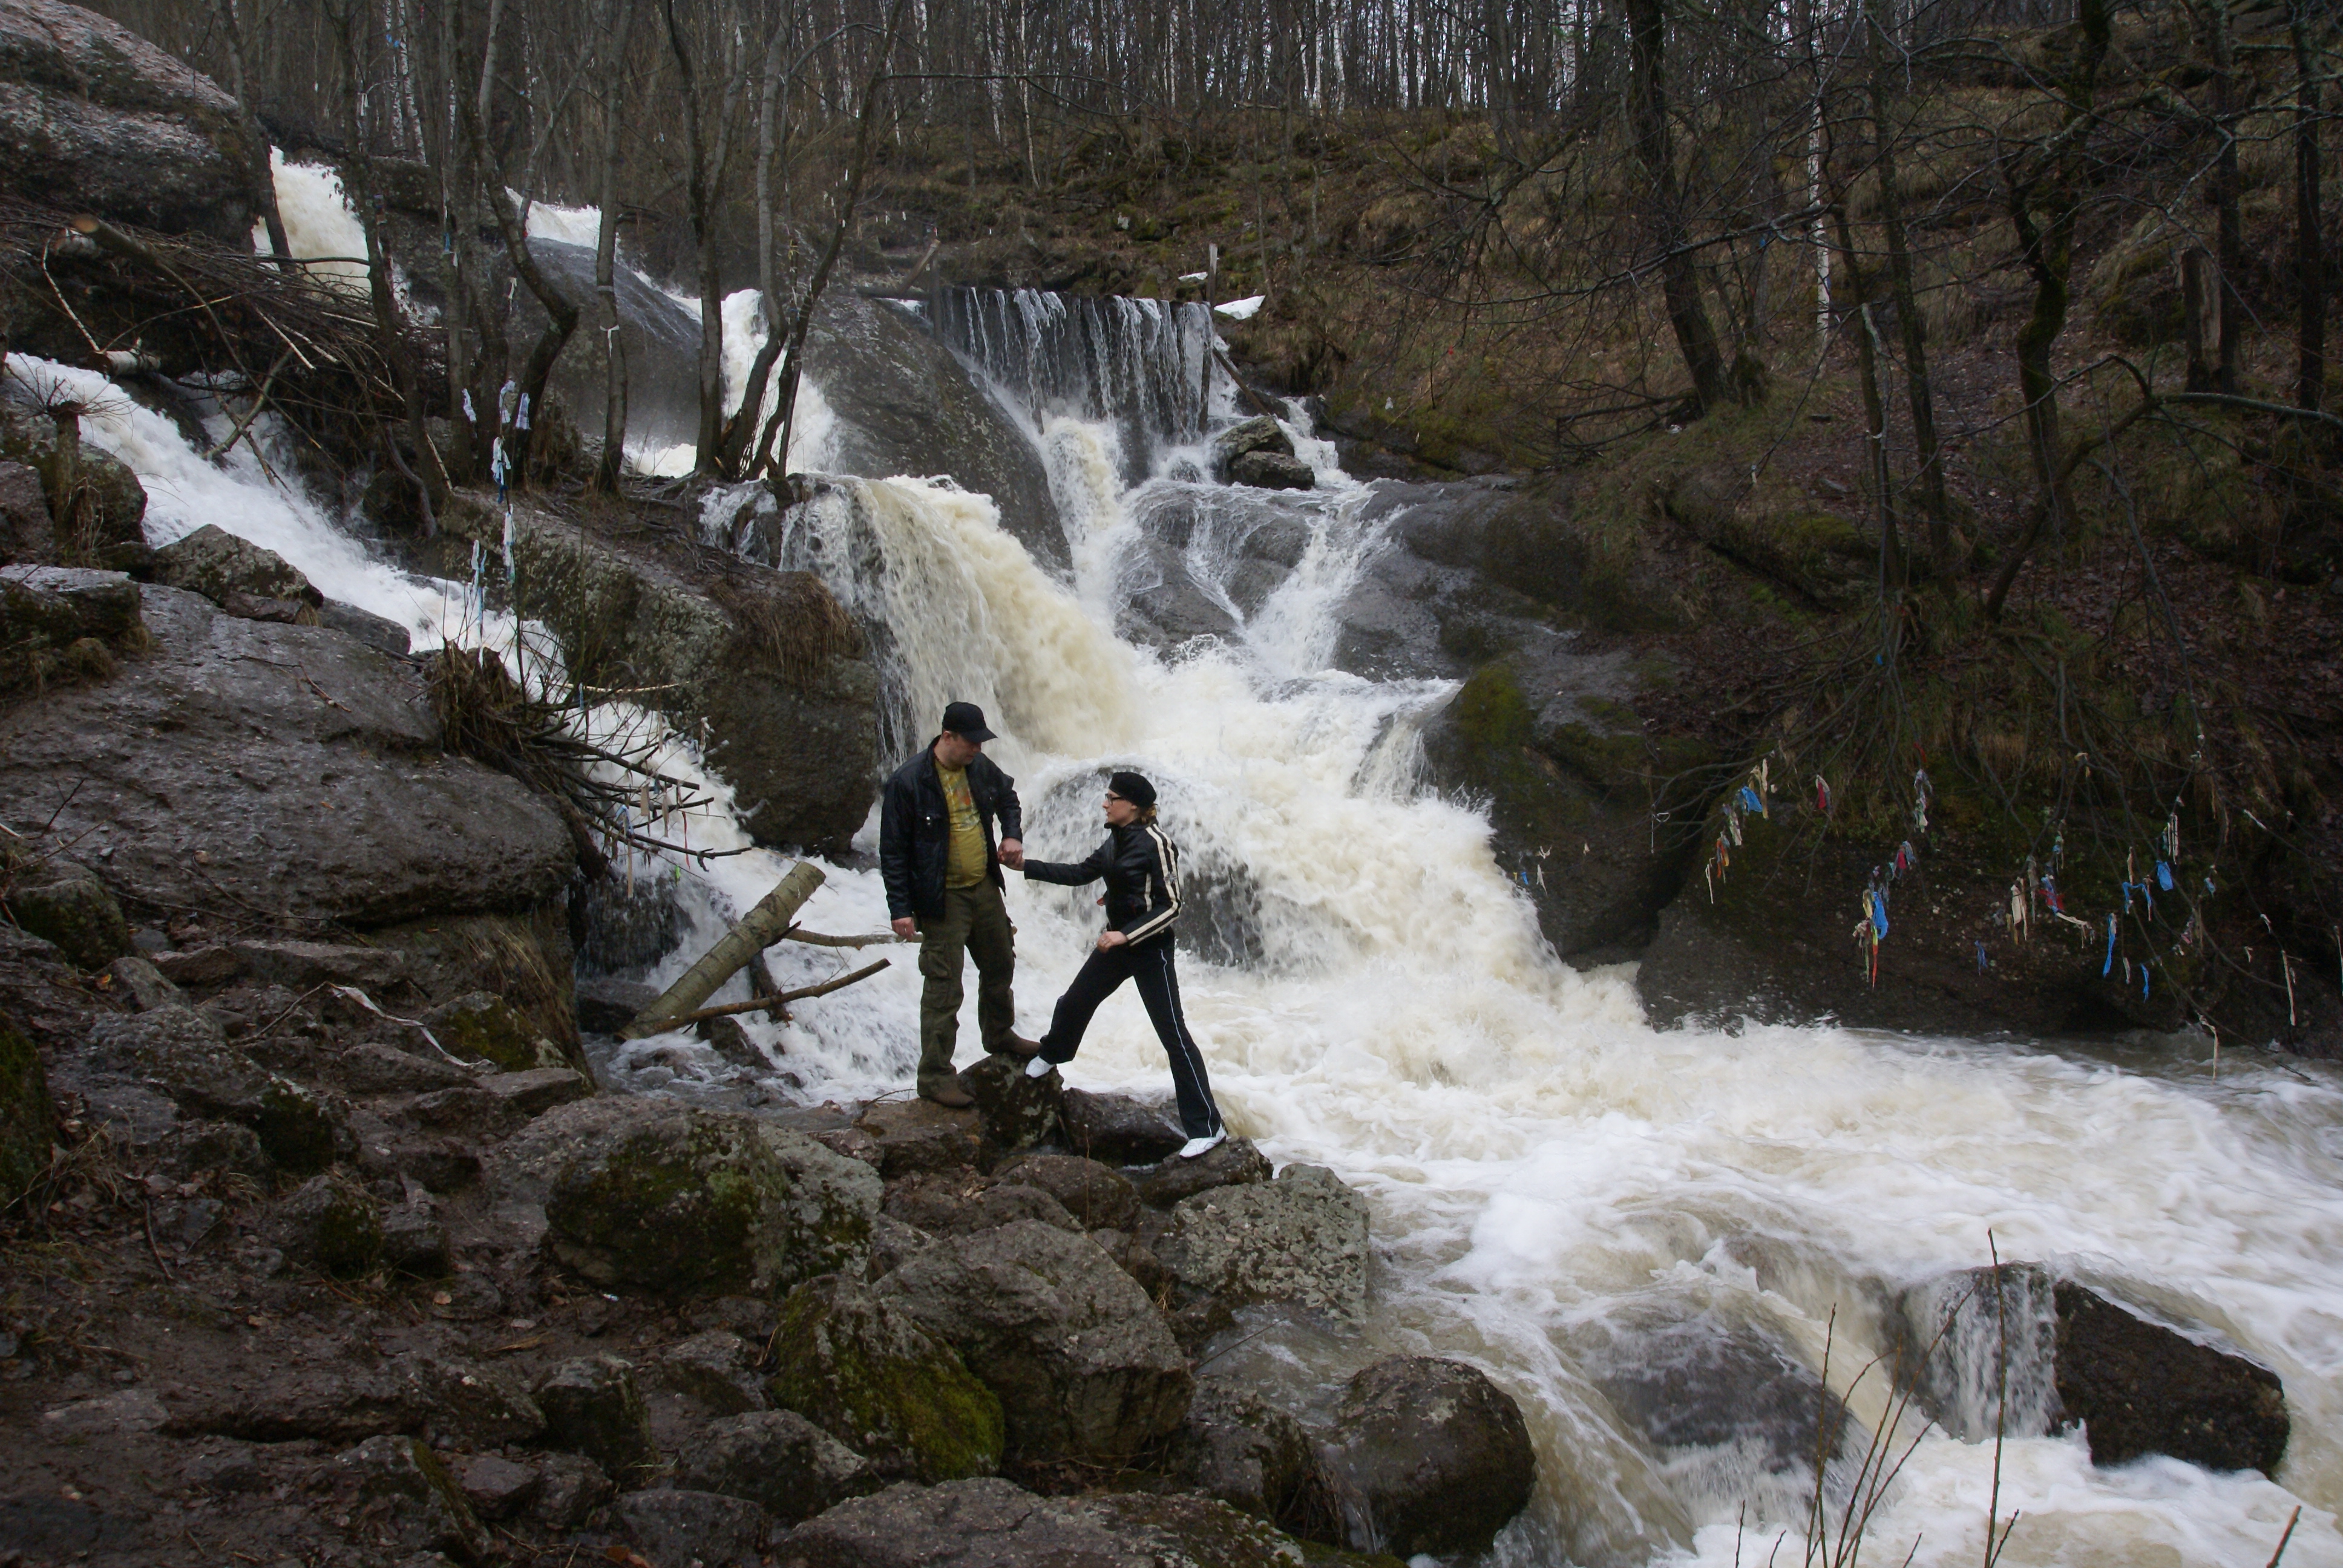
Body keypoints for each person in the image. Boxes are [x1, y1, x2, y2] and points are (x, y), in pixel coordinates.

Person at [1018, 770, 1227, 1159]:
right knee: (1073, 1003)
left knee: (1174, 1037)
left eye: (1111, 798)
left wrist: (1125, 934)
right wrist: (1026, 867)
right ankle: (1052, 1054)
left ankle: (1208, 1128)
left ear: (1132, 805)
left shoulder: (1158, 844)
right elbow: (1082, 873)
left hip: (1150, 950)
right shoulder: (1116, 839)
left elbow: (1173, 906)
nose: (1105, 803)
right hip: (1116, 943)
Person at [879, 701, 1040, 1107]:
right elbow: (893, 851)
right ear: (947, 737)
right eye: (972, 743)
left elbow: (1009, 798)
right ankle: (934, 1076)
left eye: (981, 743)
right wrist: (900, 908)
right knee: (944, 987)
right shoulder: (909, 781)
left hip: (983, 886)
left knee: (1001, 961)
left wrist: (1012, 834)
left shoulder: (978, 769)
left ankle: (999, 1034)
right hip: (942, 897)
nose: (978, 750)